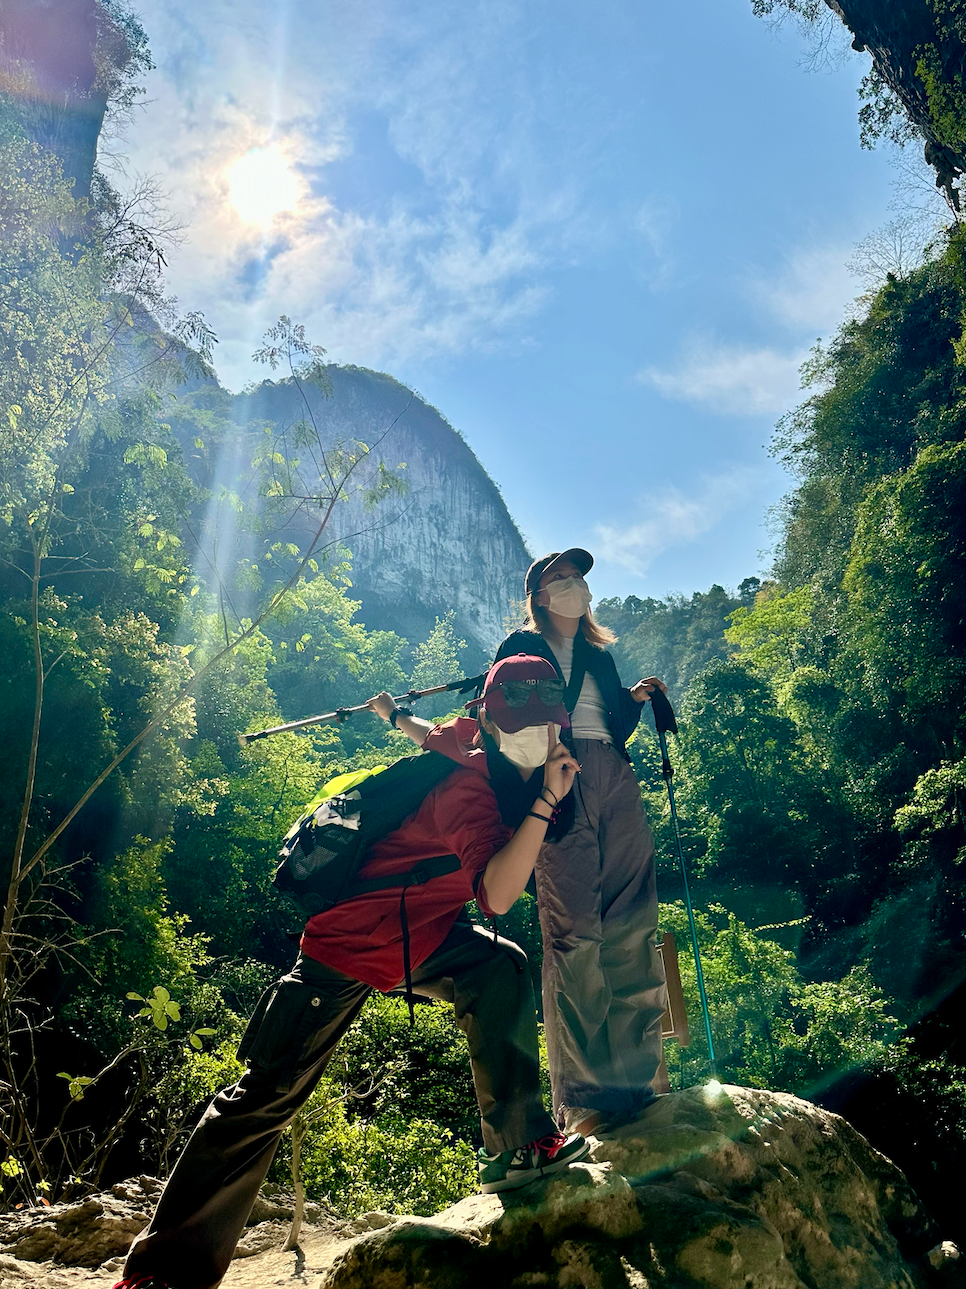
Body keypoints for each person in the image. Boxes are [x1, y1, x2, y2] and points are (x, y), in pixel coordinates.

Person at [114, 656, 584, 1289]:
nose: (537, 736)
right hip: (350, 941)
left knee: (499, 966)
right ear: (490, 722)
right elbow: (497, 896)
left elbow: (427, 733)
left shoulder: (482, 750)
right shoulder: (470, 788)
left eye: (547, 724)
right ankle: (163, 1271)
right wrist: (548, 799)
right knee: (265, 1097)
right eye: (521, 724)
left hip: (416, 934)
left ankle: (518, 1147)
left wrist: (393, 715)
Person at [495, 548, 668, 1139]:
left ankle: (638, 1085)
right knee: (575, 936)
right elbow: (508, 724)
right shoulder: (520, 648)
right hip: (559, 778)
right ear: (539, 597)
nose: (575, 585)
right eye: (561, 578)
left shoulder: (599, 654)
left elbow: (614, 727)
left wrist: (633, 702)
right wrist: (540, 786)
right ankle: (588, 1101)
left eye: (578, 577)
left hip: (614, 773)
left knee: (633, 924)